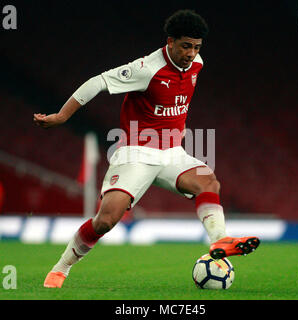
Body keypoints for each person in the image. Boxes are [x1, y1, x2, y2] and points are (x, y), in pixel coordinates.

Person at [34, 9, 260, 288]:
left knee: (208, 181)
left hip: (171, 153)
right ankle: (60, 268)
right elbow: (98, 82)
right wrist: (61, 116)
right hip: (136, 153)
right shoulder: (147, 69)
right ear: (170, 42)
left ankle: (220, 241)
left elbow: (177, 99)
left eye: (196, 47)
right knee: (105, 221)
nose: (191, 53)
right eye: (185, 46)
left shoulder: (197, 63)